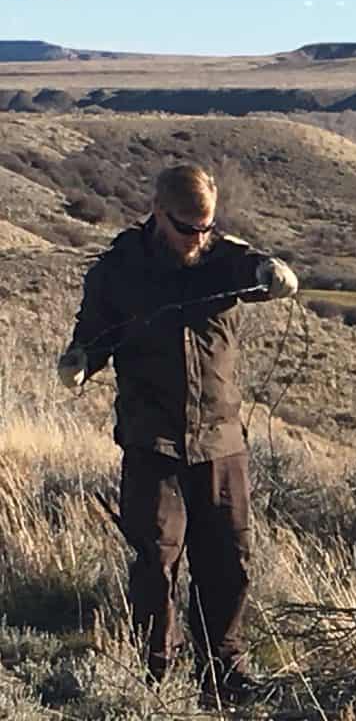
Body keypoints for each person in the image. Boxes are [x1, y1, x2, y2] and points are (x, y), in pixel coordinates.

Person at [56, 164, 298, 703]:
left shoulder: (224, 259)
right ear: (159, 213)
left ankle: (224, 672)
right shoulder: (120, 267)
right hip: (151, 439)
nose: (198, 237)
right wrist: (81, 360)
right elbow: (96, 331)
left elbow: (256, 268)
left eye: (206, 226)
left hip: (219, 439)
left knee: (229, 558)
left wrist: (274, 271)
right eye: (187, 227)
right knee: (155, 560)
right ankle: (155, 676)